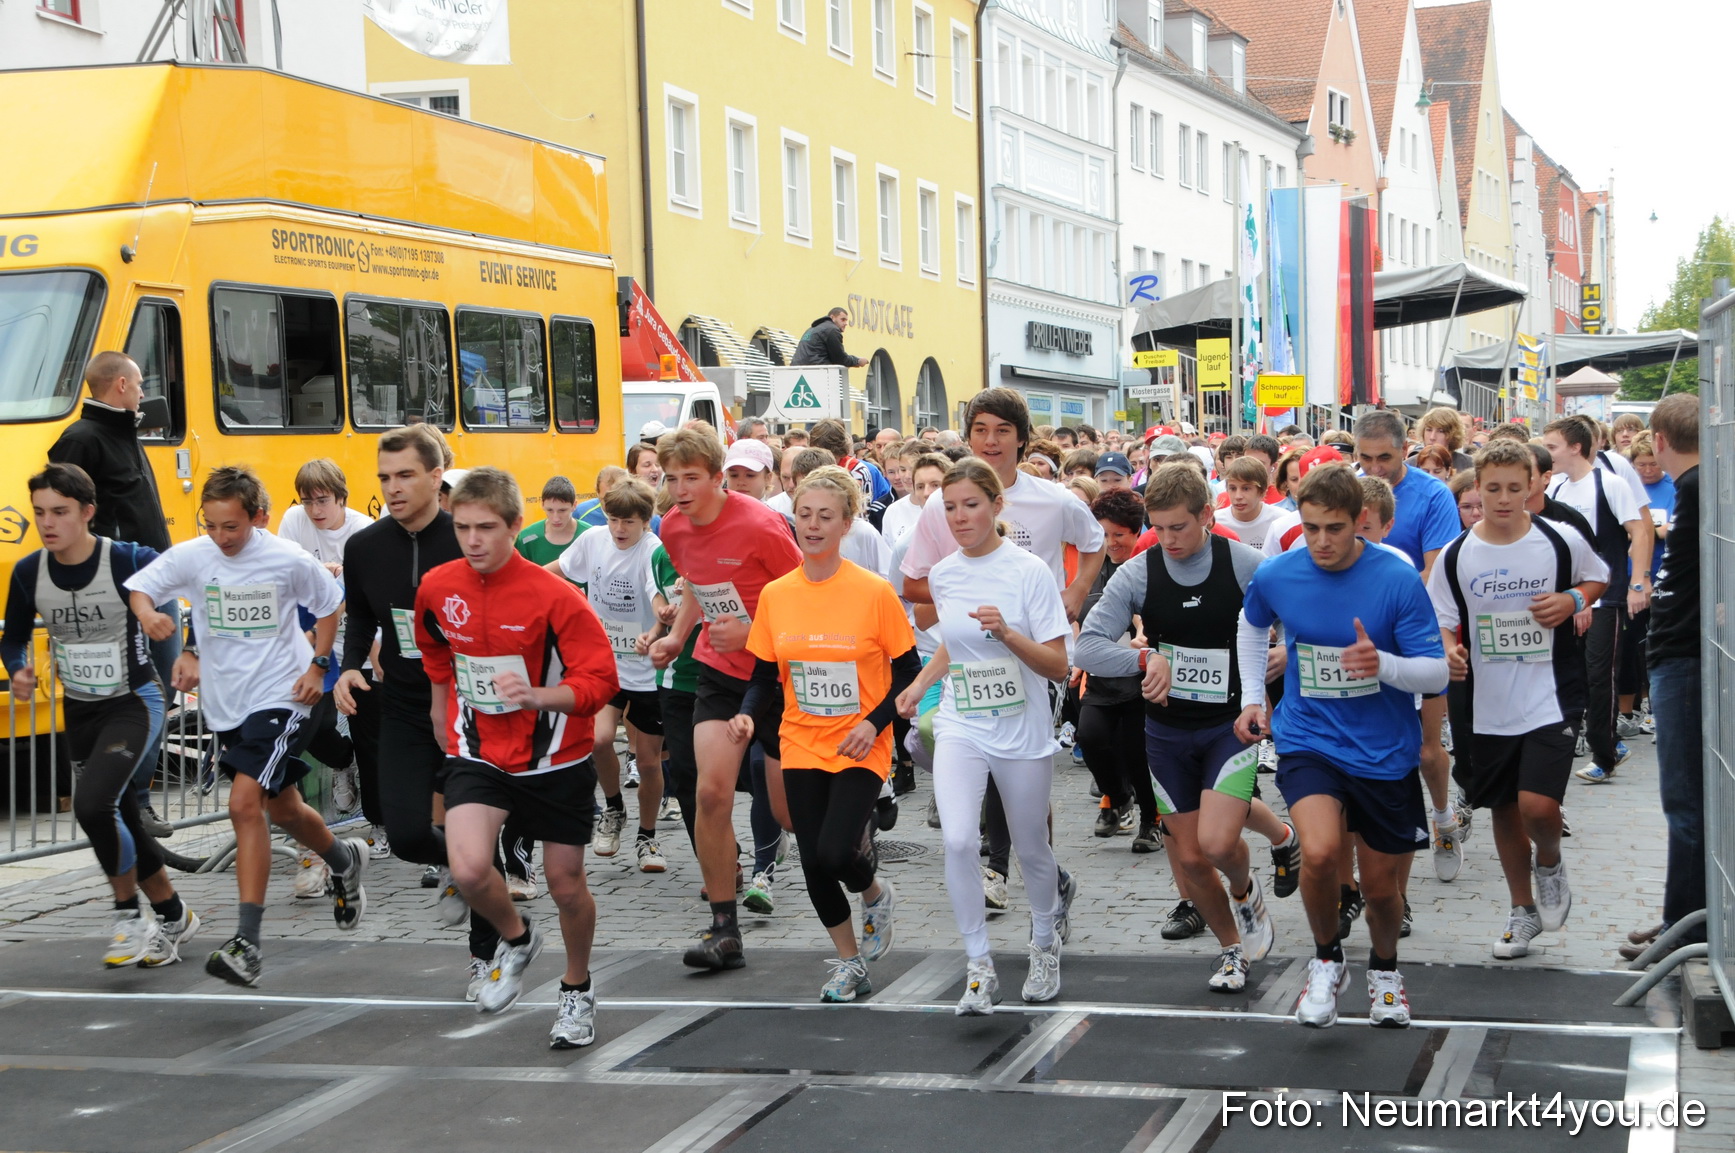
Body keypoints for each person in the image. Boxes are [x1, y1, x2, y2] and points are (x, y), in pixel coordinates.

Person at [125, 466, 365, 987]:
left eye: (230, 526)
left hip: (284, 696)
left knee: (243, 804)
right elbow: (143, 587)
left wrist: (318, 665)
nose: (220, 536)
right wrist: (152, 620)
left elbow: (330, 605)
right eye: (210, 525)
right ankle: (343, 860)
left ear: (257, 517)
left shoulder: (286, 558)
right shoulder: (196, 554)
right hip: (227, 702)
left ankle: (246, 943)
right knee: (283, 808)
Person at [1235, 463, 1448, 1028]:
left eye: (1334, 528)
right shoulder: (1279, 574)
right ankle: (1326, 960)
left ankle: (1384, 972)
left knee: (1380, 891)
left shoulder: (1397, 578)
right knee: (1323, 853)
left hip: (1384, 749)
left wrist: (1384, 665)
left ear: (1361, 523)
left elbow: (1435, 675)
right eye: (1310, 528)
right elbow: (1251, 625)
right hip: (1310, 738)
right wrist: (1253, 697)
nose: (1322, 541)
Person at [414, 468, 618, 1047]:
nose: (473, 540)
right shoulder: (438, 585)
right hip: (476, 752)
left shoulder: (555, 597)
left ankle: (576, 990)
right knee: (471, 869)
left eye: (485, 528)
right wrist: (438, 705)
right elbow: (432, 644)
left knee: (565, 883)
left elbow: (599, 681)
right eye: (462, 528)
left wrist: (539, 695)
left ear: (513, 527)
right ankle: (518, 936)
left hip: (554, 758)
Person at [1078, 464, 1290, 993]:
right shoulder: (1139, 572)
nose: (1169, 539)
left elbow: (1296, 622)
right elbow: (1087, 648)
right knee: (1191, 859)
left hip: (1229, 725)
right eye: (1160, 528)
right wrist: (1146, 658)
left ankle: (1244, 891)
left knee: (1218, 845)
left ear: (1207, 517)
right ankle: (1231, 950)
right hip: (1167, 732)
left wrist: (1283, 653)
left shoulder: (1245, 565)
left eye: (1180, 528)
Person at [901, 388, 1102, 912]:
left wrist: (1074, 594)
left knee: (1021, 776)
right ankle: (1000, 866)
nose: (990, 442)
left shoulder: (1053, 499)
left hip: (1035, 656)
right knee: (980, 757)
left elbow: (1096, 541)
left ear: (1021, 438)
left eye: (1002, 431)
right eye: (980, 431)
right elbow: (915, 583)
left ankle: (1037, 869)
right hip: (967, 654)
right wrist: (957, 591)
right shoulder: (940, 506)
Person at [730, 466, 918, 1001]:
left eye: (825, 517)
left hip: (860, 741)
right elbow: (765, 675)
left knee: (837, 853)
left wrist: (872, 722)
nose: (812, 525)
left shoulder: (872, 592)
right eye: (804, 515)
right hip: (800, 739)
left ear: (846, 524)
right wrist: (746, 715)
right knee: (813, 860)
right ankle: (849, 962)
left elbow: (906, 671)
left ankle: (875, 893)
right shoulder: (776, 594)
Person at [2, 463, 199, 969]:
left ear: (87, 513)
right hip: (81, 713)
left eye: (60, 512)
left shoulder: (126, 560)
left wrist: (184, 641)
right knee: (120, 816)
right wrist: (20, 669)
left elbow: (194, 584)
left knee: (92, 806)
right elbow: (13, 636)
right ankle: (174, 914)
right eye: (41, 512)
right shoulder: (29, 573)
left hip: (134, 703)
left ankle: (127, 916)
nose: (48, 523)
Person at [333, 425, 505, 996]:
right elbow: (359, 612)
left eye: (405, 475)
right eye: (384, 477)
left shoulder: (466, 539)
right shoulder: (364, 546)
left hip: (472, 705)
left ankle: (487, 954)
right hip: (405, 703)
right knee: (406, 834)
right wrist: (351, 664)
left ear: (437, 476)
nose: (393, 487)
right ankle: (467, 867)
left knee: (473, 840)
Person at [896, 459, 1072, 1014]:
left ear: (997, 507)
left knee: (1029, 846)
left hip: (1021, 728)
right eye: (949, 507)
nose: (959, 516)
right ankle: (978, 964)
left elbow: (1058, 666)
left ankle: (1044, 943)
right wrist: (919, 683)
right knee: (957, 840)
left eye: (971, 504)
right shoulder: (944, 574)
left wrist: (1008, 633)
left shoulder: (1028, 572)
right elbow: (955, 643)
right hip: (961, 720)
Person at [1428, 441, 1608, 959]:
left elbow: (1598, 577)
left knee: (1539, 804)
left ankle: (1549, 861)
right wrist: (1450, 653)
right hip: (1484, 702)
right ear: (1475, 489)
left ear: (1533, 484)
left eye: (1514, 488)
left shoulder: (1559, 540)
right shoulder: (1459, 554)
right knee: (1503, 808)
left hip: (1552, 693)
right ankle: (1521, 910)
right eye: (1492, 489)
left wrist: (1572, 599)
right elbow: (1440, 616)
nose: (1504, 499)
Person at [649, 426, 803, 971]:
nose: (681, 489)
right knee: (710, 796)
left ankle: (854, 845)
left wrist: (754, 634)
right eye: (671, 479)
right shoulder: (671, 526)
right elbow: (696, 583)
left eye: (692, 478)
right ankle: (724, 928)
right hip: (719, 673)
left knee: (787, 812)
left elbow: (806, 598)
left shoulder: (762, 525)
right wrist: (676, 635)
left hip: (778, 675)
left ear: (719, 478)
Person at [47, 351, 178, 837]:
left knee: (158, 695)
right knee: (138, 697)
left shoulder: (124, 433)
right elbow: (61, 511)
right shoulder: (81, 439)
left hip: (155, 581)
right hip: (123, 592)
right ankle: (127, 801)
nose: (145, 392)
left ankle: (136, 799)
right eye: (140, 384)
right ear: (120, 385)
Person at [1354, 410, 1468, 888]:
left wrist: (1388, 606)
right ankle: (1369, 852)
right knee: (1365, 749)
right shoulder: (1348, 488)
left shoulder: (1434, 494)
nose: (1374, 467)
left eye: (1385, 457)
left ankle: (1443, 817)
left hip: (1416, 632)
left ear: (1406, 450)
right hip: (1360, 639)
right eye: (1365, 457)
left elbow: (1433, 572)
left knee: (1425, 751)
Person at [555, 478, 668, 873]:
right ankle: (614, 807)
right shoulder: (593, 540)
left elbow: (658, 596)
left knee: (650, 762)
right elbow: (561, 569)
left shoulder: (654, 551)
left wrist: (658, 624)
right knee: (599, 738)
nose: (620, 529)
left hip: (648, 672)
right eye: (614, 520)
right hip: (605, 666)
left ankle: (648, 837)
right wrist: (518, 577)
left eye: (629, 523)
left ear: (646, 522)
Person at [276, 459, 376, 894]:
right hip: (310, 645)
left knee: (364, 733)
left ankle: (372, 822)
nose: (315, 510)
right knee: (310, 732)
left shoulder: (361, 531)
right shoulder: (293, 522)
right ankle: (341, 765)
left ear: (341, 498)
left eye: (323, 500)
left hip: (355, 642)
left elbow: (363, 599)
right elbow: (286, 579)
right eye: (308, 500)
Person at [1541, 417, 1652, 783]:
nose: (1548, 453)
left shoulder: (1611, 483)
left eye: (1552, 446)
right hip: (1571, 599)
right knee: (1573, 672)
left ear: (1575, 447)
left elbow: (1640, 530)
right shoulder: (1555, 487)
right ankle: (1603, 740)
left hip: (1608, 596)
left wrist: (1638, 582)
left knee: (1600, 674)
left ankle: (1604, 755)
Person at [1635, 394, 1702, 953]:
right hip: (1678, 652)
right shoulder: (1697, 486)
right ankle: (1680, 917)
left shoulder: (1701, 487)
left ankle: (1689, 927)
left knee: (1684, 801)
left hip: (1683, 657)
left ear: (1658, 441)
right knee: (1684, 801)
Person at [1619, 432, 1673, 736]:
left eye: (1653, 464)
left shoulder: (1672, 487)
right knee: (1629, 645)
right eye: (1641, 465)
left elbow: (1670, 529)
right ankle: (1627, 711)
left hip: (1664, 575)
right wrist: (1651, 531)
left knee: (1657, 643)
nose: (1648, 470)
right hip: (1630, 578)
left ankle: (1655, 706)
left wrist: (1645, 532)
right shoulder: (1627, 490)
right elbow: (1626, 531)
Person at [1216, 457, 1286, 549]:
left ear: (1262, 491)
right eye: (1233, 488)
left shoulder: (1280, 520)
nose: (1238, 496)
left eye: (1246, 489)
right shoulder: (1215, 522)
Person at [514, 476, 582, 566]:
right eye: (550, 510)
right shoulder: (525, 539)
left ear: (574, 505)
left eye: (562, 510)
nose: (556, 518)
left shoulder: (589, 535)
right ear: (542, 504)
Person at [791, 308, 870, 369]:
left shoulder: (812, 329)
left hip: (797, 371)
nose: (845, 323)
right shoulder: (832, 330)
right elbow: (840, 359)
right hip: (816, 373)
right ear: (832, 317)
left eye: (846, 320)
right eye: (842, 319)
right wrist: (857, 361)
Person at [1414, 408, 1475, 474]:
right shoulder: (1410, 466)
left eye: (1440, 431)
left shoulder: (1469, 464)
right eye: (1429, 430)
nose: (1432, 437)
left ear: (1453, 434)